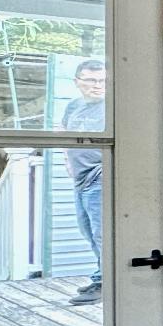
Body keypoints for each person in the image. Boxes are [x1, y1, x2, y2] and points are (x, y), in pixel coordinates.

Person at [63, 58, 107, 305]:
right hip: (80, 179)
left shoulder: (113, 107)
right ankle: (102, 276)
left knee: (102, 234)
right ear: (78, 82)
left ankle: (105, 283)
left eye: (102, 80)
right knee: (87, 231)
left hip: (100, 177)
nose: (98, 85)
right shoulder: (73, 107)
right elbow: (63, 132)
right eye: (91, 80)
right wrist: (66, 159)